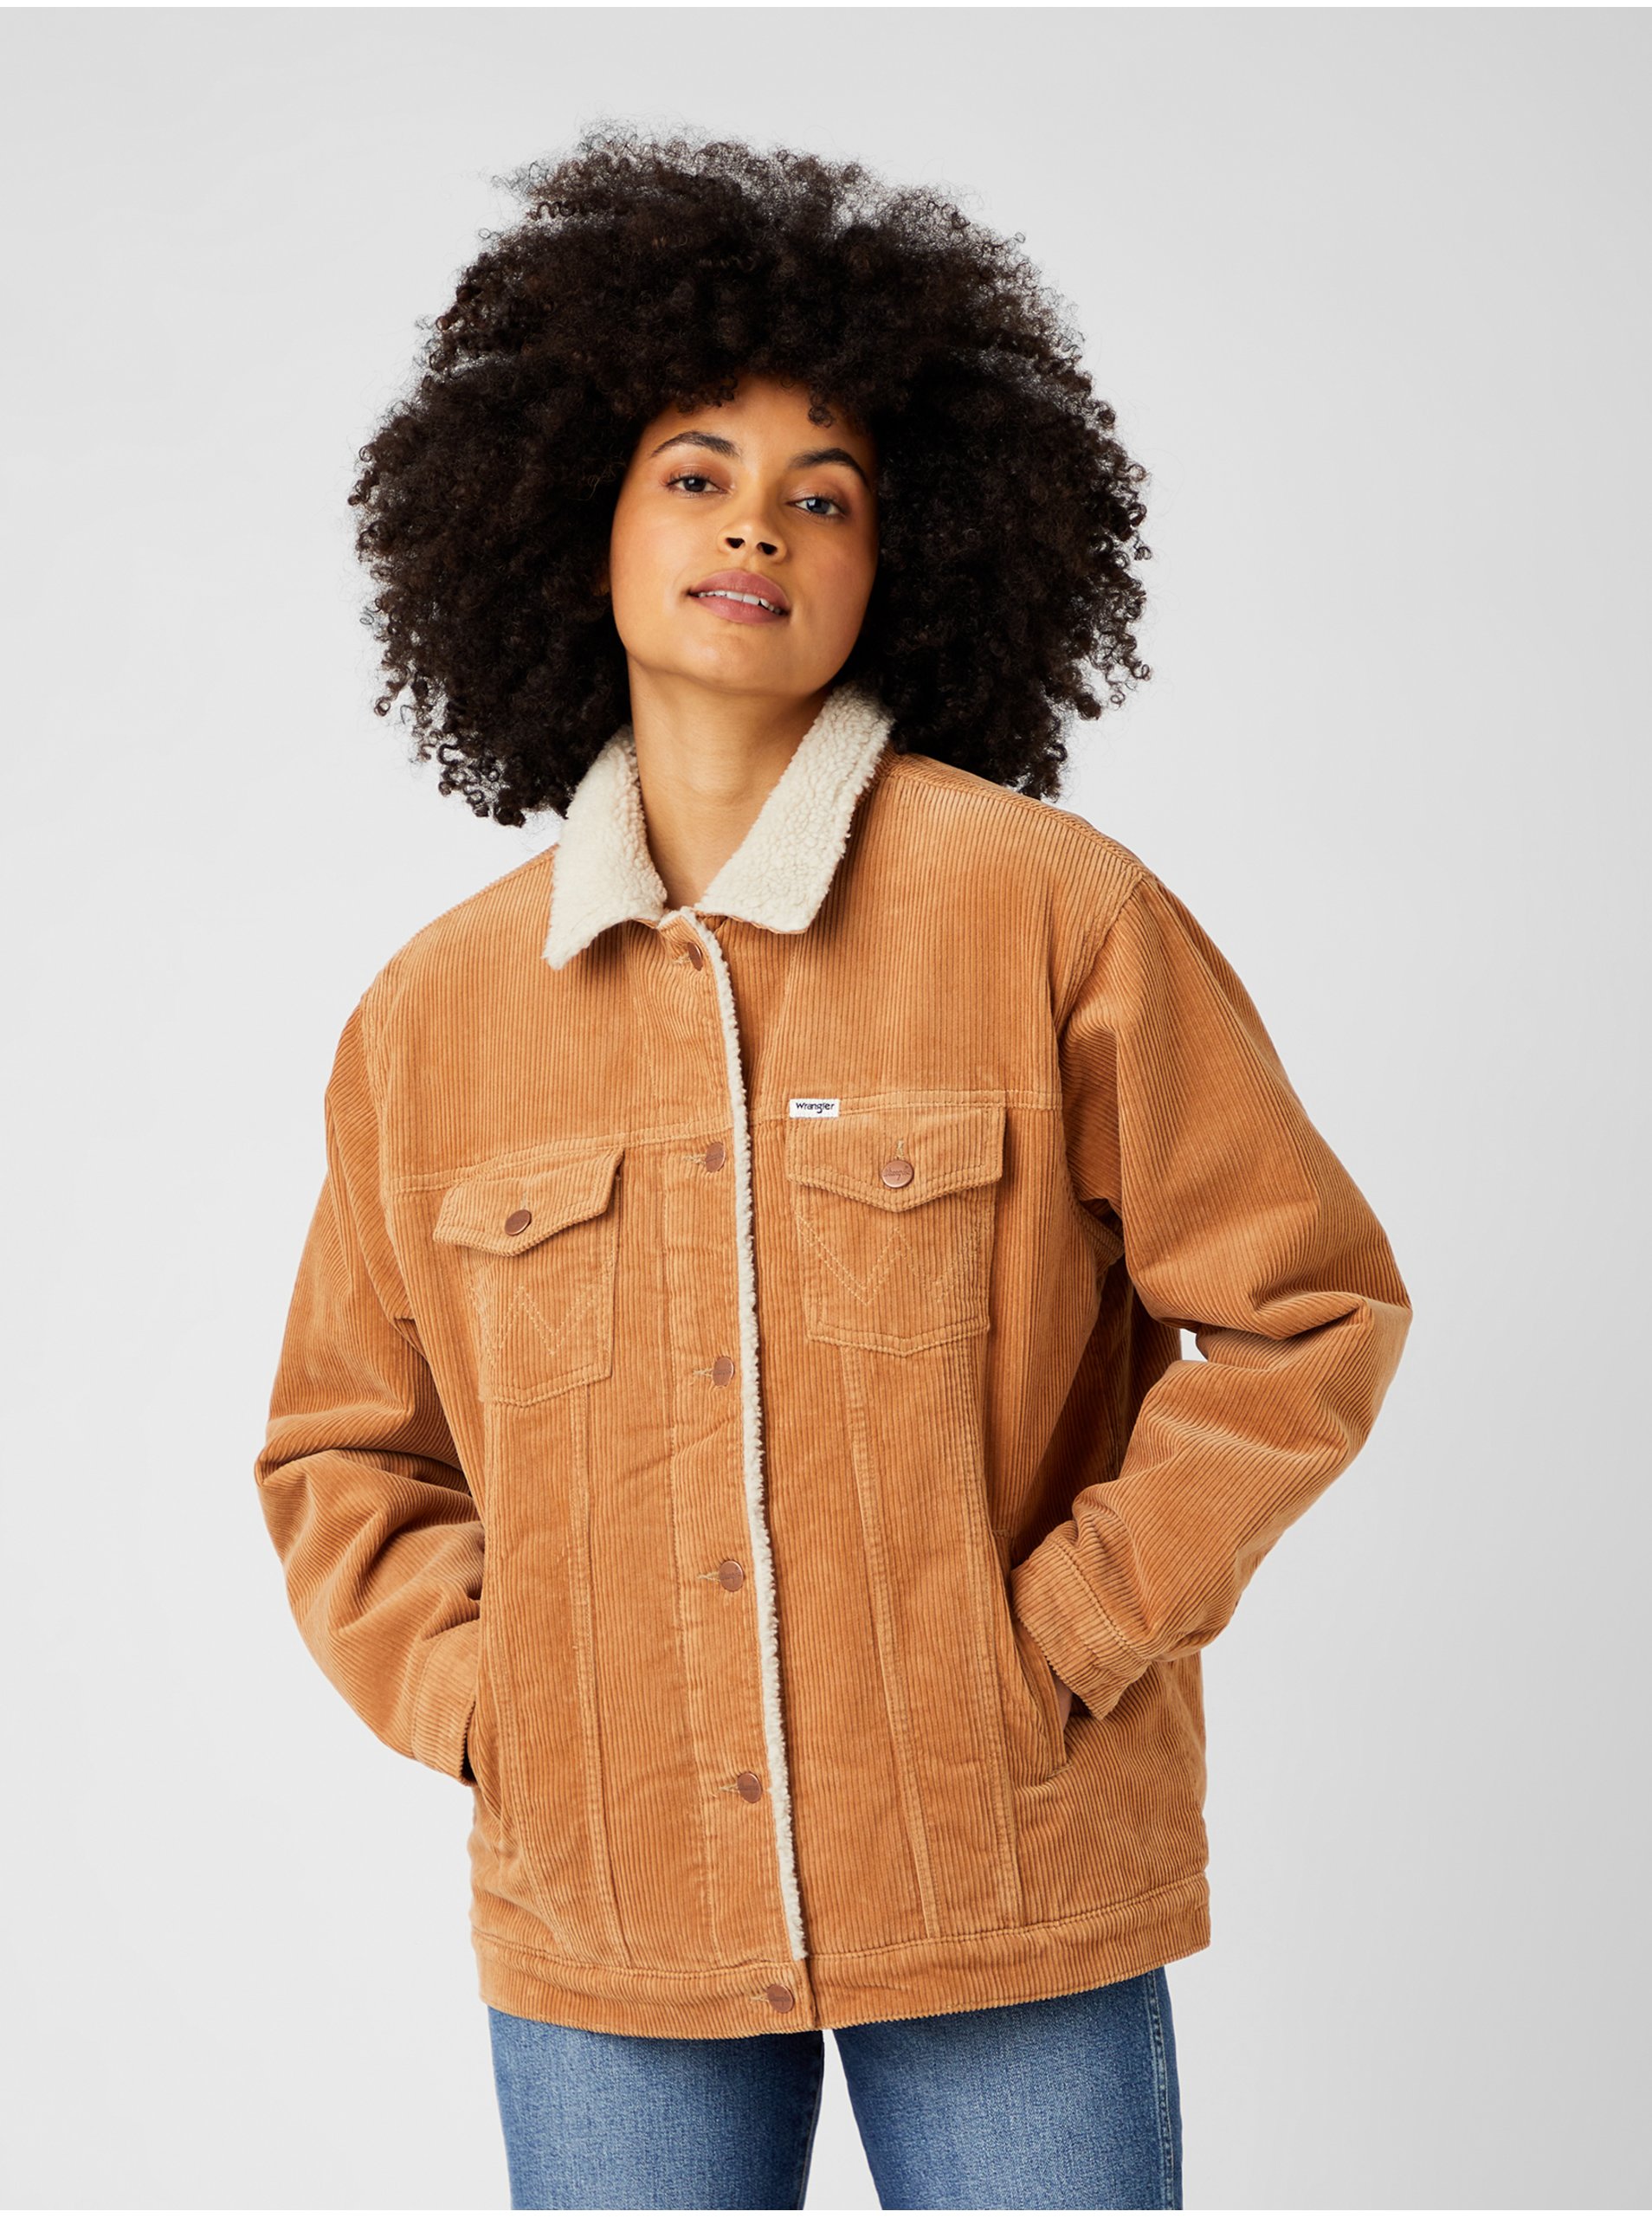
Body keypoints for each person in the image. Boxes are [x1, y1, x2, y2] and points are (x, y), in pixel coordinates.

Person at [254, 126, 1412, 2210]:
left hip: (1006, 1875)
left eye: (827, 494)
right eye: (695, 474)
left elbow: (1307, 1311)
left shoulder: (1051, 915)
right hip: (611, 1910)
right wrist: (499, 1702)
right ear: (576, 525)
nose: (756, 526)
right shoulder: (436, 1017)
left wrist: (1071, 1632)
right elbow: (344, 1449)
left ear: (907, 560)